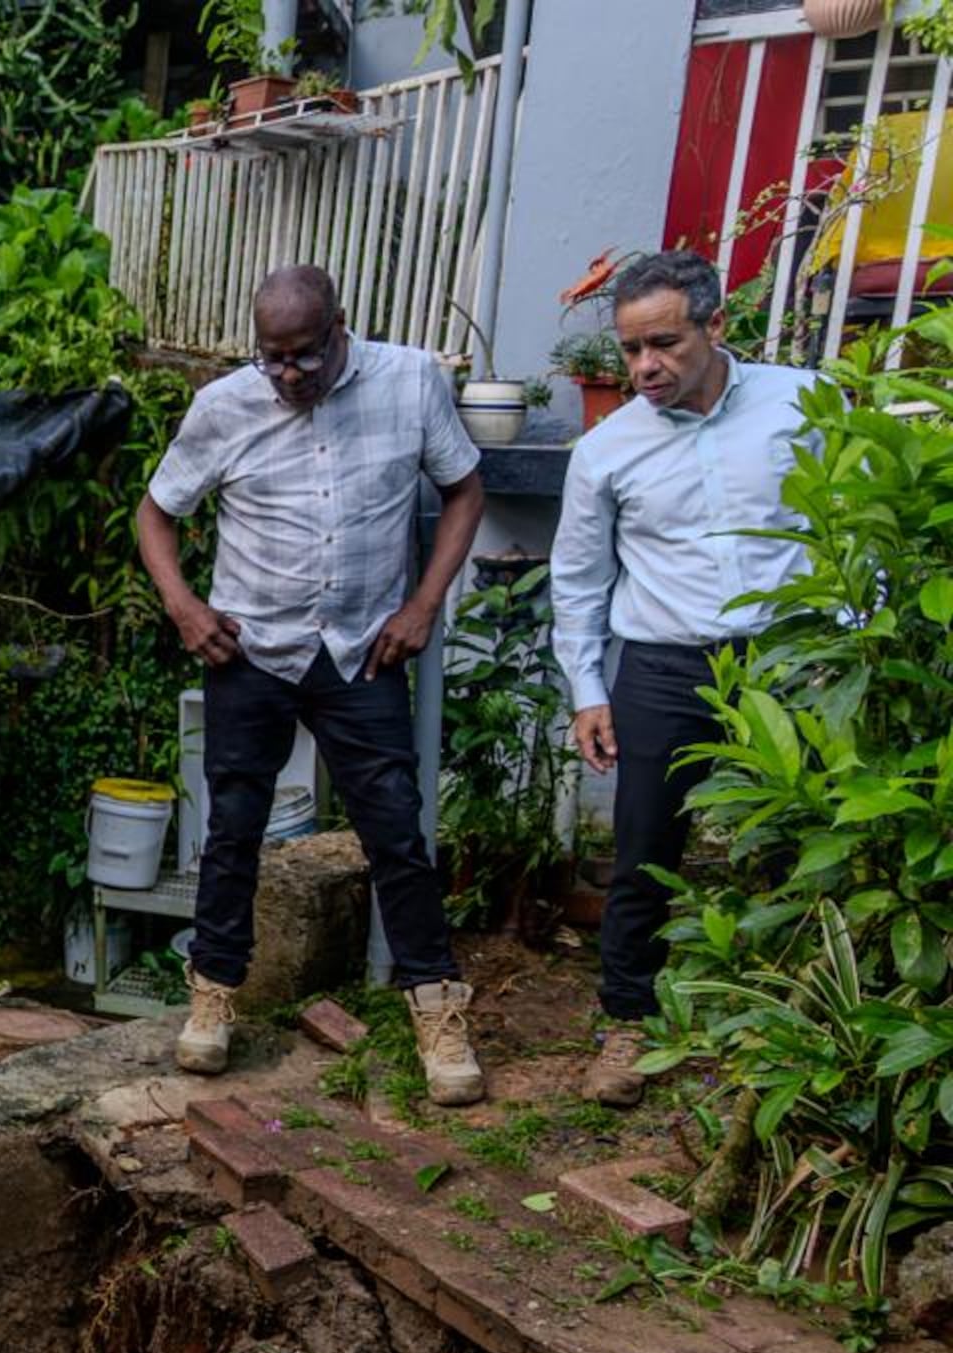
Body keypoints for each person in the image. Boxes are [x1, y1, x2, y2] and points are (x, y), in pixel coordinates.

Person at [136, 264, 489, 1105]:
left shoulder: (409, 384)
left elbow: (465, 489)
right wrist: (185, 607)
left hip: (362, 651)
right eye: (273, 358)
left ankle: (438, 1016)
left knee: (397, 831)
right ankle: (213, 1001)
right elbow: (157, 513)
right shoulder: (226, 405)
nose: (288, 375)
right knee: (232, 829)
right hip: (250, 649)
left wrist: (423, 604)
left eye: (304, 356)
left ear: (341, 330)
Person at [549, 248, 816, 1107]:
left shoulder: (801, 404)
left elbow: (844, 519)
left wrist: (849, 648)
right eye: (630, 352)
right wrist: (588, 690)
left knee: (798, 845)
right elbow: (580, 579)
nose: (644, 368)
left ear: (716, 326)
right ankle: (626, 1024)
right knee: (643, 851)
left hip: (786, 658)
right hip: (663, 665)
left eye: (662, 344)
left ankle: (795, 1024)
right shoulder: (608, 450)